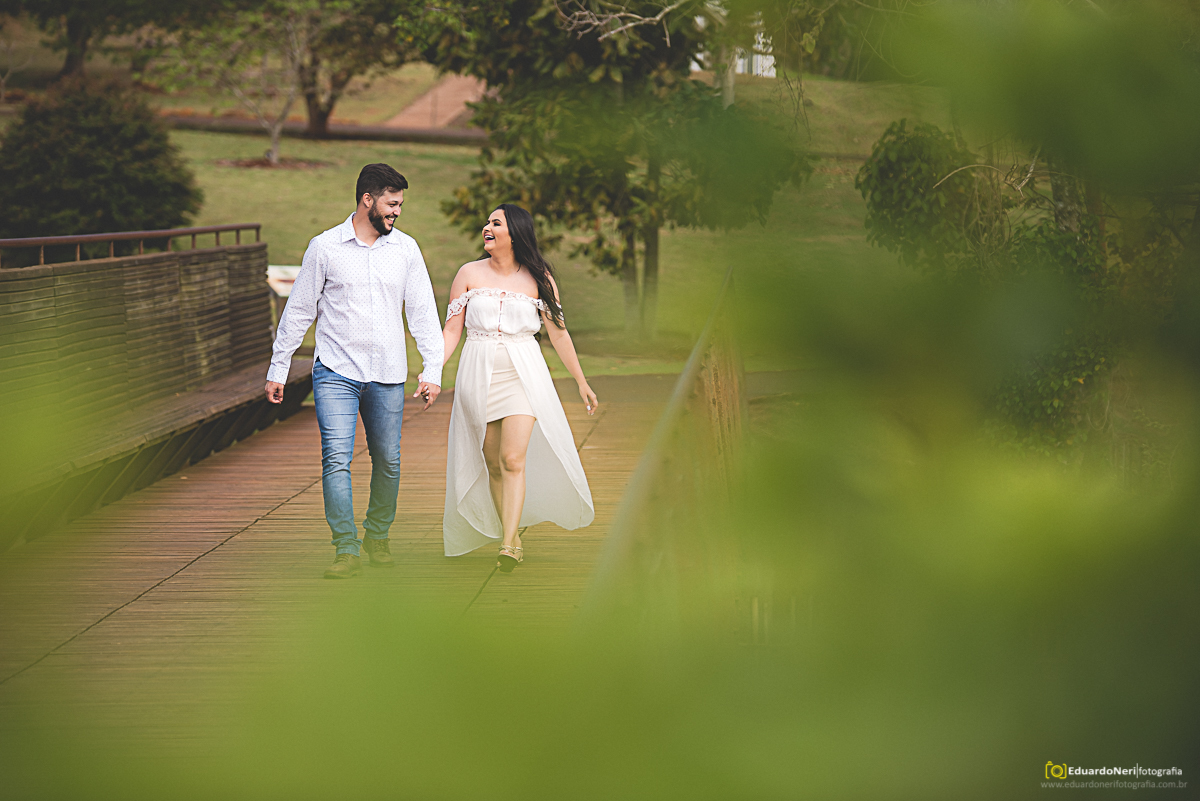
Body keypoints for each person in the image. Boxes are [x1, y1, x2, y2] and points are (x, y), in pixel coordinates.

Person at [265, 163, 444, 579]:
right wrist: (279, 366)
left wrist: (431, 369)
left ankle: (377, 536)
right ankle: (346, 547)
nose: (397, 211)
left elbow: (422, 314)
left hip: (387, 374)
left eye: (400, 204)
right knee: (336, 459)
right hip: (336, 371)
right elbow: (299, 311)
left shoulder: (406, 250)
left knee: (389, 461)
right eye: (391, 203)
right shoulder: (324, 247)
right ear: (368, 200)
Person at [438, 204, 597, 570]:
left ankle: (509, 543)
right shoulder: (467, 274)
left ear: (515, 233)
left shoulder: (538, 277)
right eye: (487, 222)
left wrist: (581, 381)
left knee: (512, 458)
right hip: (477, 372)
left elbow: (558, 333)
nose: (486, 228)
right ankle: (513, 529)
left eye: (496, 223)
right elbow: (451, 331)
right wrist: (432, 370)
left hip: (523, 373)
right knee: (492, 461)